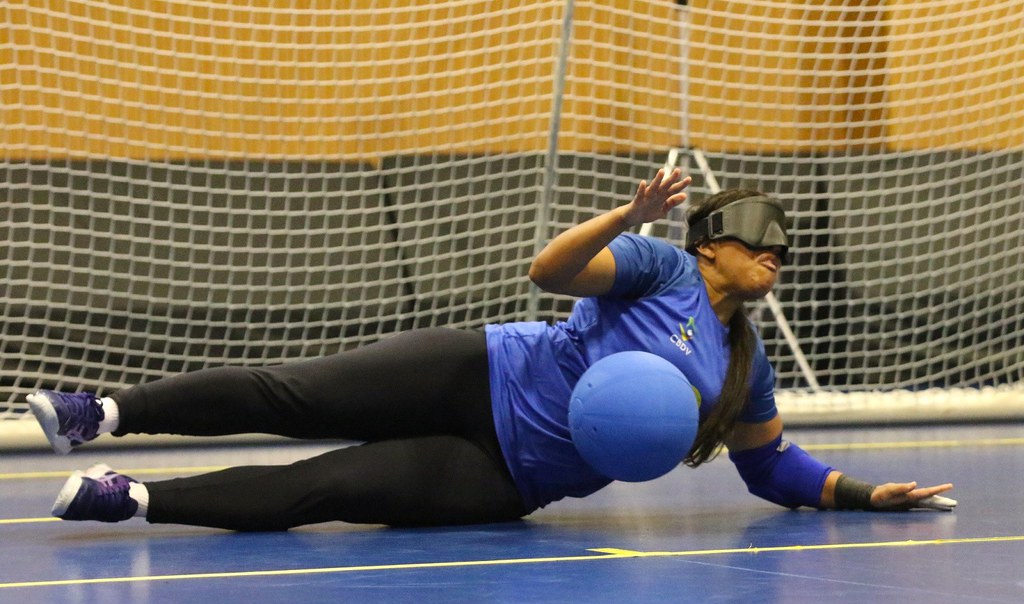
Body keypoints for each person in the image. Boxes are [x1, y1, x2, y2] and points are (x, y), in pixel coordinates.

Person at [27, 168, 955, 531]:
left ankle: (135, 497)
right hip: (487, 366)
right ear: (712, 242)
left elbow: (773, 467)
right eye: (762, 242)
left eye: (783, 253)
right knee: (296, 392)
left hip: (509, 475)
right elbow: (550, 272)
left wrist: (866, 492)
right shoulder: (660, 267)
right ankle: (101, 413)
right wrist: (627, 217)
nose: (776, 258)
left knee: (333, 486)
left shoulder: (746, 368)